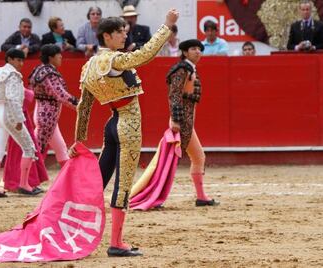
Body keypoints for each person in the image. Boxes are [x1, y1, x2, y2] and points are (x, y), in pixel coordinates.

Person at [69, 9, 179, 257]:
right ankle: (116, 243)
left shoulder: (89, 66)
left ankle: (73, 228)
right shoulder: (114, 60)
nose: (123, 35)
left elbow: (84, 106)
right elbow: (143, 56)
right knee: (123, 185)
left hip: (112, 124)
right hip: (127, 125)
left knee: (98, 181)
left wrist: (79, 139)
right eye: (119, 32)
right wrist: (167, 26)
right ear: (106, 36)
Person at [166, 39, 220, 207]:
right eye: (193, 48)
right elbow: (174, 94)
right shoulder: (183, 69)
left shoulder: (189, 69)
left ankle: (201, 197)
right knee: (171, 162)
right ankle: (155, 194)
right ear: (184, 52)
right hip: (181, 121)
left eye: (199, 49)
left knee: (196, 157)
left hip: (186, 121)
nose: (198, 51)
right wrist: (176, 119)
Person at [0, 48, 38, 198]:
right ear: (9, 59)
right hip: (10, 114)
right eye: (18, 60)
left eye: (22, 60)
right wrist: (19, 120)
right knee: (29, 148)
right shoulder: (13, 75)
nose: (21, 63)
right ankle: (24, 184)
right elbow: (14, 99)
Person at [29, 44, 78, 158]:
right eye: (58, 54)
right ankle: (28, 175)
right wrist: (78, 104)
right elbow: (60, 94)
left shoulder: (39, 69)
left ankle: (68, 176)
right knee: (36, 149)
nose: (61, 57)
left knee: (61, 149)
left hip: (44, 114)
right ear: (51, 57)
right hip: (47, 116)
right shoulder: (48, 73)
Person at [3, 88, 48, 193]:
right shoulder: (13, 77)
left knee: (19, 150)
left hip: (17, 116)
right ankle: (22, 183)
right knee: (24, 149)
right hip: (18, 117)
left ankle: (22, 182)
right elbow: (26, 96)